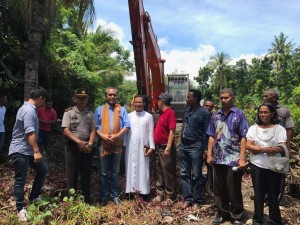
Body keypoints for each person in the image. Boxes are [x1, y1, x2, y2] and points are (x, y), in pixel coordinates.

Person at [206, 88, 248, 225]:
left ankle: (236, 215)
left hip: (233, 159)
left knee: (233, 189)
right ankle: (222, 214)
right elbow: (212, 136)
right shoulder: (215, 115)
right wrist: (209, 154)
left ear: (232, 98)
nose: (223, 100)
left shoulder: (239, 114)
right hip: (218, 159)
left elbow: (243, 137)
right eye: (221, 98)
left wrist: (242, 158)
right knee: (219, 189)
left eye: (226, 98)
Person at [8, 87, 48, 222]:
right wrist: (36, 151)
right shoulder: (29, 110)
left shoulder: (29, 109)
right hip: (21, 150)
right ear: (41, 98)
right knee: (20, 180)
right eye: (44, 100)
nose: (44, 103)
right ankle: (20, 208)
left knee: (43, 170)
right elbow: (29, 132)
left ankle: (34, 197)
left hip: (28, 150)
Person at [246, 103, 286, 225]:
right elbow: (248, 145)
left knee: (273, 194)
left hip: (274, 166)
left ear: (272, 113)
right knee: (258, 194)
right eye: (261, 112)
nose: (263, 115)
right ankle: (258, 220)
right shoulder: (253, 128)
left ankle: (274, 220)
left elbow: (281, 147)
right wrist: (265, 150)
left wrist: (258, 149)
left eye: (266, 112)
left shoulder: (280, 129)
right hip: (257, 165)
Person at [94, 87, 130, 205]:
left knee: (115, 172)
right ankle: (104, 196)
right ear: (106, 96)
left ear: (117, 96)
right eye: (110, 95)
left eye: (114, 95)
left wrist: (117, 136)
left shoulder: (122, 110)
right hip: (103, 145)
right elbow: (95, 126)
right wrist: (103, 136)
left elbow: (126, 125)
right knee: (103, 172)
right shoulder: (99, 110)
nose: (112, 97)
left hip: (117, 145)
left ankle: (115, 195)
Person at [61, 88, 96, 204]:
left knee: (86, 175)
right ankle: (72, 201)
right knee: (72, 175)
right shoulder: (69, 112)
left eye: (84, 98)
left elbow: (93, 129)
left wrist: (90, 143)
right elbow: (66, 130)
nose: (82, 100)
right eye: (79, 98)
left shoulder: (90, 114)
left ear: (87, 100)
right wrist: (78, 142)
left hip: (87, 147)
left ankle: (86, 201)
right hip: (73, 147)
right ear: (74, 99)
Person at [179, 90, 211, 210]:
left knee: (197, 175)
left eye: (189, 97)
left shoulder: (204, 113)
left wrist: (206, 150)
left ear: (196, 98)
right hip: (183, 146)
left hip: (196, 147)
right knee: (184, 173)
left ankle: (197, 200)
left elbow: (207, 133)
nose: (186, 99)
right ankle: (188, 199)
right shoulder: (187, 111)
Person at [263, 88, 295, 204]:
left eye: (267, 96)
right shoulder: (263, 109)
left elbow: (289, 129)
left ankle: (279, 198)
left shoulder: (284, 111)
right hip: (265, 146)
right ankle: (265, 196)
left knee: (279, 170)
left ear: (275, 98)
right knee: (265, 170)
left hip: (279, 146)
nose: (264, 98)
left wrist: (287, 148)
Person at [125, 95, 155, 201]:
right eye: (136, 102)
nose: (138, 104)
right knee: (130, 167)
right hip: (130, 146)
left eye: (140, 102)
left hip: (144, 146)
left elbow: (151, 132)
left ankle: (144, 192)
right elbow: (126, 132)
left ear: (144, 103)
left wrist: (151, 146)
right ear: (133, 103)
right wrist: (124, 145)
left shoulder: (148, 116)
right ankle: (130, 191)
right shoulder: (129, 116)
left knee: (144, 167)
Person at [153, 93, 177, 203]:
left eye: (158, 101)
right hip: (158, 148)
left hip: (165, 148)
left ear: (161, 101)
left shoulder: (170, 113)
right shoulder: (162, 113)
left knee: (168, 172)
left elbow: (172, 131)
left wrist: (168, 147)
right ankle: (160, 193)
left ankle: (170, 196)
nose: (157, 103)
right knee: (159, 171)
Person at [203, 99, 215, 197]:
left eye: (210, 106)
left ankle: (209, 188)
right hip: (199, 147)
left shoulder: (214, 118)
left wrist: (208, 150)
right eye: (206, 106)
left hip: (210, 147)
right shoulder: (199, 116)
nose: (208, 108)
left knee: (211, 170)